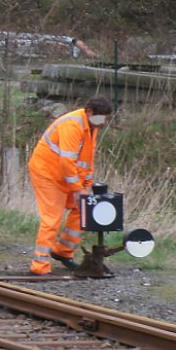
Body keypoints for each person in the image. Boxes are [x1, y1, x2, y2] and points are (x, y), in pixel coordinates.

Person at [28, 95, 113, 275]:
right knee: (52, 218)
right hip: (47, 174)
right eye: (102, 118)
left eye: (106, 118)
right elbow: (67, 161)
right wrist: (77, 189)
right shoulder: (73, 125)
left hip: (66, 176)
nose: (104, 123)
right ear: (89, 112)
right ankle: (40, 266)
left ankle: (63, 252)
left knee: (83, 209)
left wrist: (85, 186)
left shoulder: (91, 126)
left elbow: (86, 161)